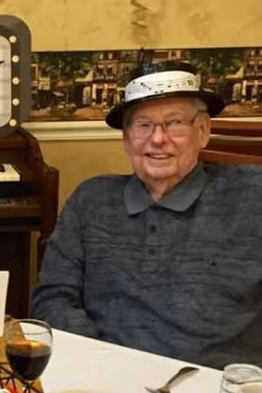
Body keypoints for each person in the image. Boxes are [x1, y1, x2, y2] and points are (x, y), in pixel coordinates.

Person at [31, 62, 262, 369]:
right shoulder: (91, 199)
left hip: (219, 391)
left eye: (175, 122)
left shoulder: (252, 194)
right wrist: (99, 363)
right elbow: (53, 297)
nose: (158, 139)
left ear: (203, 131)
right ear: (126, 139)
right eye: (143, 125)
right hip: (109, 379)